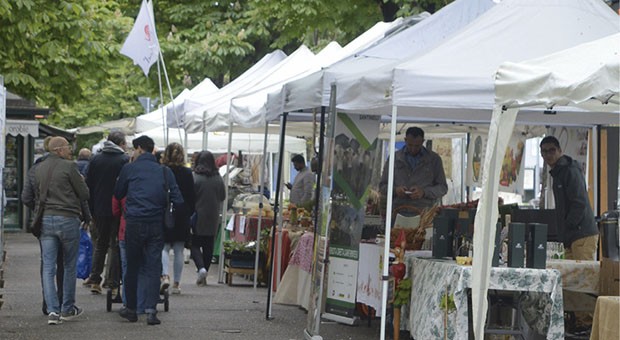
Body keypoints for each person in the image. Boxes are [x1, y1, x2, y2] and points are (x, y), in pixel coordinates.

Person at [114, 136, 183, 325]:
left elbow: (118, 192)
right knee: (153, 267)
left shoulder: (129, 168)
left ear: (139, 149)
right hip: (156, 224)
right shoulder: (164, 171)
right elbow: (179, 199)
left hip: (134, 223)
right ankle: (152, 311)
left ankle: (131, 309)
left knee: (132, 266)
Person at [35, 137, 89, 325]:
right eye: (67, 147)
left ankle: (52, 311)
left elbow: (35, 194)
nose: (70, 151)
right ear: (58, 149)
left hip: (46, 220)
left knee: (48, 267)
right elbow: (84, 194)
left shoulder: (39, 168)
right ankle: (67, 308)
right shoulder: (69, 167)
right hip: (67, 218)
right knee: (68, 264)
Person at [540, 136, 598, 260]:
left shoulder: (570, 170)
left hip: (581, 233)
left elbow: (579, 203)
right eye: (544, 151)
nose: (548, 154)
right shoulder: (559, 172)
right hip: (571, 235)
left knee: (583, 275)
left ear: (560, 151)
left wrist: (568, 225)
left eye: (552, 150)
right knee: (571, 275)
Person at [84, 131, 129, 294]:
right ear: (120, 143)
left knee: (100, 244)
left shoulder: (95, 159)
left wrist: (90, 209)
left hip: (99, 208)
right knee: (116, 245)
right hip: (118, 208)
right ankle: (112, 281)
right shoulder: (124, 160)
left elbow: (88, 184)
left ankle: (95, 278)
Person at [379, 127, 447, 214]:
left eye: (417, 146)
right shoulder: (394, 158)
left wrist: (424, 192)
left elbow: (443, 188)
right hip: (398, 211)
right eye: (410, 145)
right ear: (405, 140)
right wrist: (395, 190)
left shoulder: (434, 160)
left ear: (423, 141)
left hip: (424, 212)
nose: (413, 149)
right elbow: (382, 186)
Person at [160, 143, 195, 294]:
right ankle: (176, 283)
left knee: (164, 247)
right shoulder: (187, 173)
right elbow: (192, 196)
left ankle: (164, 276)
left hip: (165, 211)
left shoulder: (162, 171)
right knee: (179, 250)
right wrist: (188, 212)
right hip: (182, 213)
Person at [191, 151, 226, 286]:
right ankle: (204, 273)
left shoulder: (195, 177)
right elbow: (222, 196)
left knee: (193, 243)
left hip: (197, 215)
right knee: (208, 245)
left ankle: (201, 268)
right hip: (213, 215)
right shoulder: (218, 178)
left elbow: (190, 196)